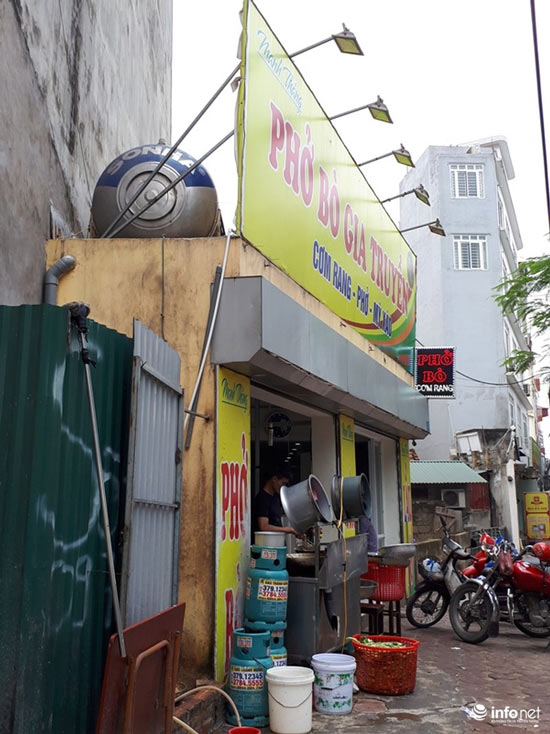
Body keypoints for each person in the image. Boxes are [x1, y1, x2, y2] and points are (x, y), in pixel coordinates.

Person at [253, 469, 299, 536]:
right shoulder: (262, 499)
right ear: (274, 479)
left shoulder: (276, 497)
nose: (283, 486)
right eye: (283, 483)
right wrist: (288, 530)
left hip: (277, 539)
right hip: (266, 540)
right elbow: (263, 526)